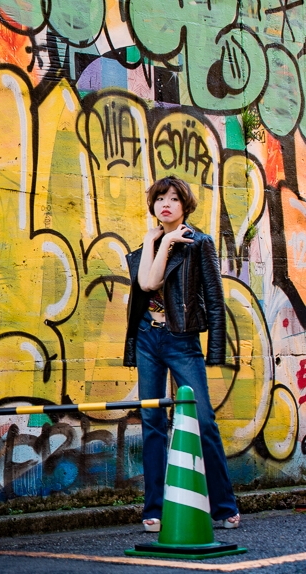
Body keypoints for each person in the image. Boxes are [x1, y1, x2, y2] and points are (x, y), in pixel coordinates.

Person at [123, 176, 240, 533]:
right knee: (153, 423)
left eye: (174, 198)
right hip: (147, 339)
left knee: (203, 421)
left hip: (182, 341)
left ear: (185, 205)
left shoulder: (199, 244)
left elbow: (215, 300)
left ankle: (223, 506)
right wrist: (158, 241)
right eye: (160, 198)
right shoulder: (150, 242)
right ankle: (154, 509)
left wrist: (215, 349)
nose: (166, 204)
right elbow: (147, 284)